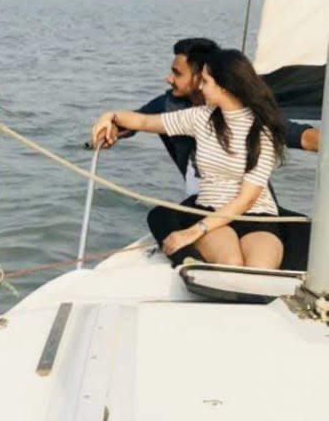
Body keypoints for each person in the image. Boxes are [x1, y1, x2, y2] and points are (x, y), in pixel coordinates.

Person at [90, 37, 317, 268]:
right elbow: (143, 120)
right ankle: (190, 263)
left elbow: (248, 199)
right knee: (229, 262)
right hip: (209, 207)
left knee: (261, 268)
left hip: (256, 214)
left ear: (224, 85)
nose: (200, 86)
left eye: (205, 81)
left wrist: (194, 232)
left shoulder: (264, 127)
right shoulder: (197, 116)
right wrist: (109, 116)